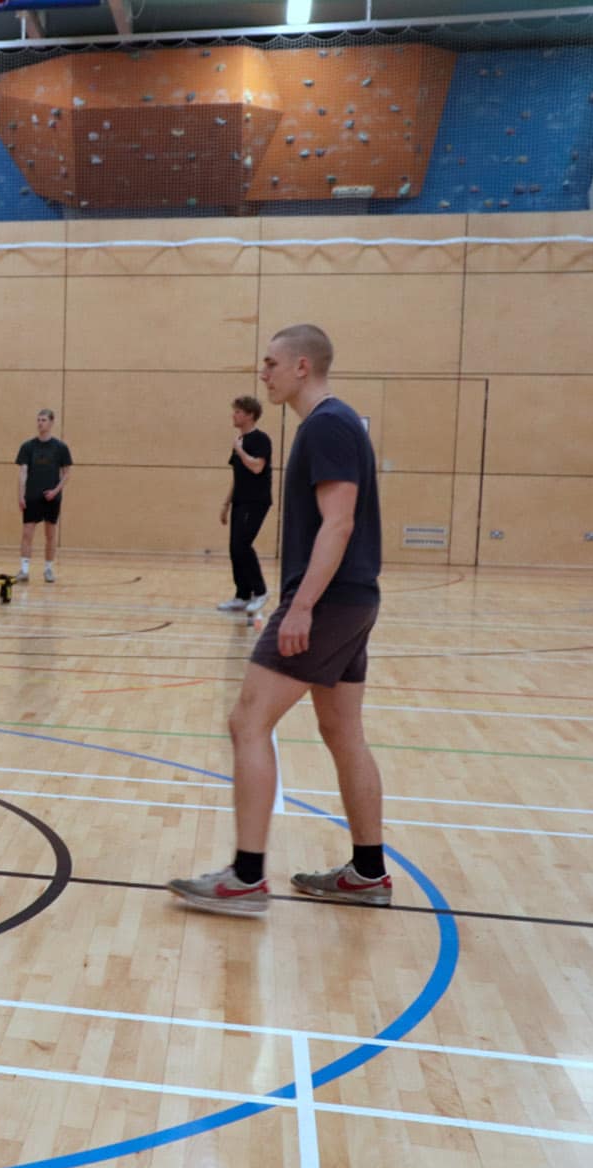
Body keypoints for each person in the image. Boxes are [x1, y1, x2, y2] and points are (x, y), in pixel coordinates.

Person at [169, 324, 389, 916]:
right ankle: (368, 872)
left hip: (331, 600)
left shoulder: (328, 425)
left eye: (270, 363)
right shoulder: (330, 425)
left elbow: (338, 524)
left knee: (247, 720)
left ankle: (245, 878)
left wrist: (301, 606)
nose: (261, 373)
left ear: (300, 367)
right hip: (352, 599)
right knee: (342, 732)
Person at [219, 394, 273, 614]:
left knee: (242, 545)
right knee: (235, 548)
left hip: (257, 501)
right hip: (240, 501)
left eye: (238, 412)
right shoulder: (239, 442)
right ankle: (242, 595)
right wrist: (226, 503)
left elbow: (257, 467)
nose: (234, 415)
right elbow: (238, 475)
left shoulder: (260, 440)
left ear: (250, 415)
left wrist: (240, 450)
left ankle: (260, 592)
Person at [15, 409, 72, 583]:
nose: (40, 423)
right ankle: (24, 570)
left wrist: (55, 491)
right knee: (27, 534)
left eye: (44, 420)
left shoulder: (60, 447)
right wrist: (21, 495)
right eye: (38, 420)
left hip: (51, 498)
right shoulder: (28, 447)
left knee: (50, 534)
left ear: (51, 422)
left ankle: (48, 569)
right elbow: (23, 472)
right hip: (32, 496)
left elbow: (67, 473)